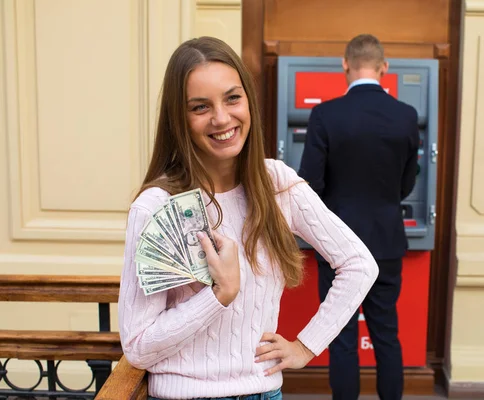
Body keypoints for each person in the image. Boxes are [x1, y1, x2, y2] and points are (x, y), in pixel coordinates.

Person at [117, 36, 378, 400]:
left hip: (264, 392)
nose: (222, 118)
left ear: (248, 101)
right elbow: (139, 347)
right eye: (200, 107)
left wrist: (305, 346)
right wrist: (218, 295)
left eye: (232, 98)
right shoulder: (156, 206)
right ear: (179, 118)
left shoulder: (278, 184)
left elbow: (359, 264)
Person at [298, 34, 420, 400]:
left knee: (343, 337)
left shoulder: (325, 115)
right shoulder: (406, 116)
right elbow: (407, 181)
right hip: (386, 241)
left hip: (339, 247)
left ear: (344, 65)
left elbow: (310, 185)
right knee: (385, 333)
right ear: (384, 68)